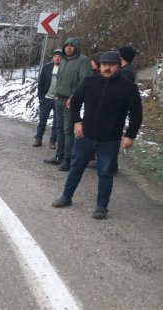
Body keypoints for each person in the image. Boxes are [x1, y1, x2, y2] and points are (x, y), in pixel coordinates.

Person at [51, 51, 142, 219]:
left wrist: (130, 135)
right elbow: (76, 101)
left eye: (111, 65)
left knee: (105, 172)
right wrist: (77, 122)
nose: (107, 68)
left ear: (118, 66)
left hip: (110, 139)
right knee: (76, 167)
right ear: (99, 66)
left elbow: (136, 113)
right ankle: (66, 196)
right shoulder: (89, 82)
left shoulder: (128, 87)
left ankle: (101, 206)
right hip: (86, 136)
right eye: (104, 64)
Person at [43, 38, 92, 171]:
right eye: (67, 46)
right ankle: (59, 156)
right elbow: (59, 78)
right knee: (59, 128)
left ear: (76, 47)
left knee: (68, 131)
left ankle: (68, 159)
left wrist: (74, 97)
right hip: (59, 98)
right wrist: (57, 93)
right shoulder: (63, 61)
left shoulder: (83, 60)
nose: (68, 48)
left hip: (71, 101)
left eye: (71, 46)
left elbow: (84, 81)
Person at [33, 48, 62, 148]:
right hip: (46, 98)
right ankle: (38, 138)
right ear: (53, 57)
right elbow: (40, 83)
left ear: (62, 58)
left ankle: (53, 141)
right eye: (55, 56)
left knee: (56, 122)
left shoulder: (64, 68)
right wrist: (41, 97)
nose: (57, 58)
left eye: (59, 56)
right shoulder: (47, 67)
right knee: (42, 120)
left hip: (58, 99)